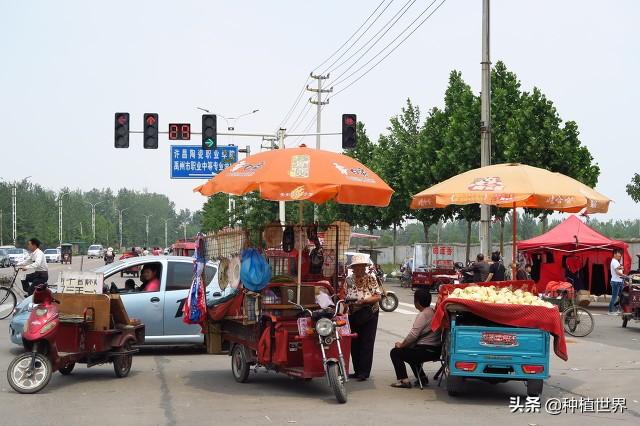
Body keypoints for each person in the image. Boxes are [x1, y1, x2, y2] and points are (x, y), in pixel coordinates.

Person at [389, 288, 442, 388]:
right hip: (436, 350)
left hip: (426, 351)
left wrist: (401, 345)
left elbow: (413, 335)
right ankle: (422, 378)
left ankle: (403, 380)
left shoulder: (423, 315)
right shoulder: (432, 311)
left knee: (395, 352)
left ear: (417, 302)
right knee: (410, 351)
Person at [345, 253, 382, 381]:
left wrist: (365, 301)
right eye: (357, 267)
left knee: (367, 342)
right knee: (354, 342)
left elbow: (378, 296)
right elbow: (344, 295)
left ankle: (364, 372)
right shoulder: (348, 279)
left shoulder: (371, 278)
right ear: (353, 268)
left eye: (362, 267)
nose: (360, 269)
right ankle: (357, 370)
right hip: (353, 313)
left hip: (369, 312)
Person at [608, 249, 625, 315]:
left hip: (619, 281)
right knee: (614, 297)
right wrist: (624, 275)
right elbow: (617, 272)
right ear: (614, 254)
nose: (620, 255)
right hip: (616, 282)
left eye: (620, 254)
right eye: (619, 253)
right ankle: (610, 311)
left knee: (622, 296)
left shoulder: (616, 261)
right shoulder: (614, 261)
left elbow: (619, 269)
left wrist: (621, 268)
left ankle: (616, 309)